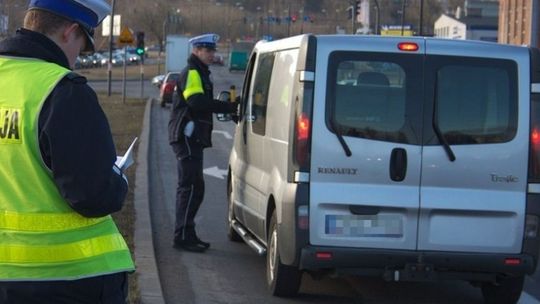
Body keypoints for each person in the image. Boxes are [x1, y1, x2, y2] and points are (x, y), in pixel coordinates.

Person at [0, 0, 134, 303]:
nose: (76, 59)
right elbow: (93, 195)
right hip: (64, 281)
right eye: (82, 46)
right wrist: (118, 178)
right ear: (69, 32)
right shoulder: (63, 90)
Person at [168, 33, 238, 253]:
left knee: (195, 187)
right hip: (186, 136)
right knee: (189, 187)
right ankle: (181, 236)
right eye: (207, 51)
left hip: (192, 138)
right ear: (196, 51)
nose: (211, 54)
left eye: (212, 51)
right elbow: (196, 102)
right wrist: (228, 107)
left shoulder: (200, 72)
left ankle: (188, 233)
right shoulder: (192, 73)